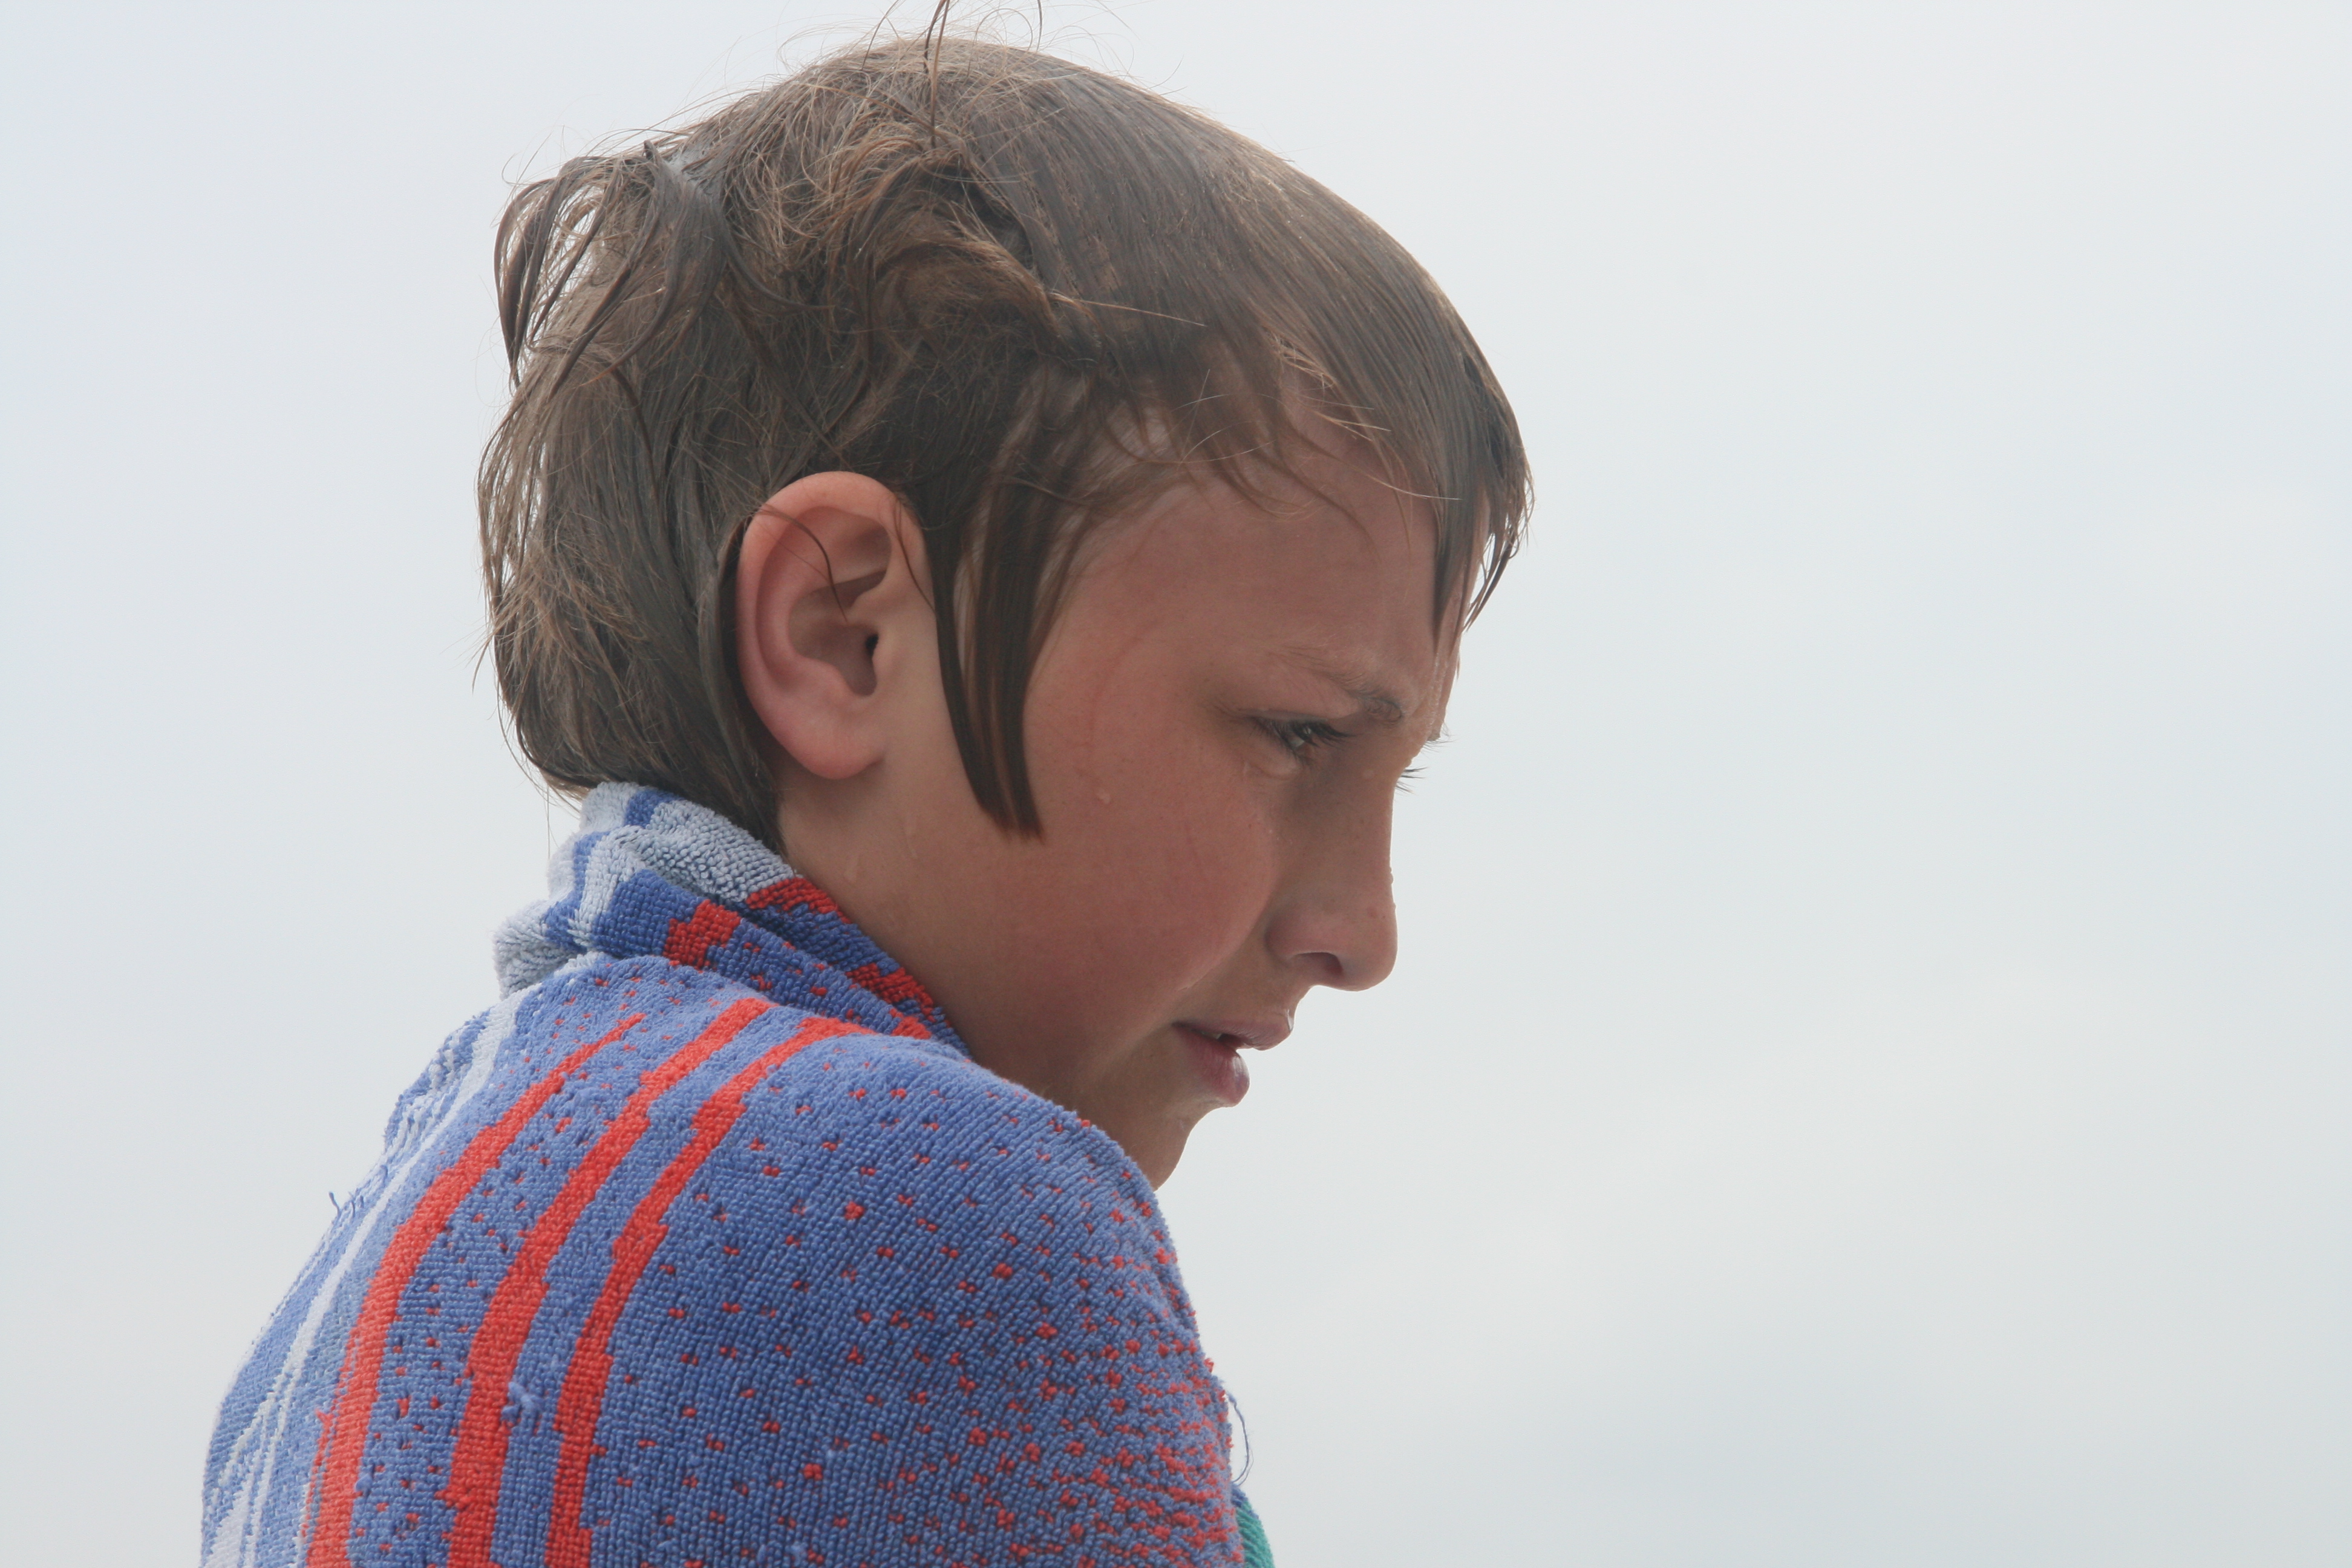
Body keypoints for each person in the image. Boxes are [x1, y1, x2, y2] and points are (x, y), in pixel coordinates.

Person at [203, 27, 1527, 1568]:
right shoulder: (941, 1218)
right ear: (843, 637)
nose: (1363, 934)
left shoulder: (360, 1281)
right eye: (1296, 734)